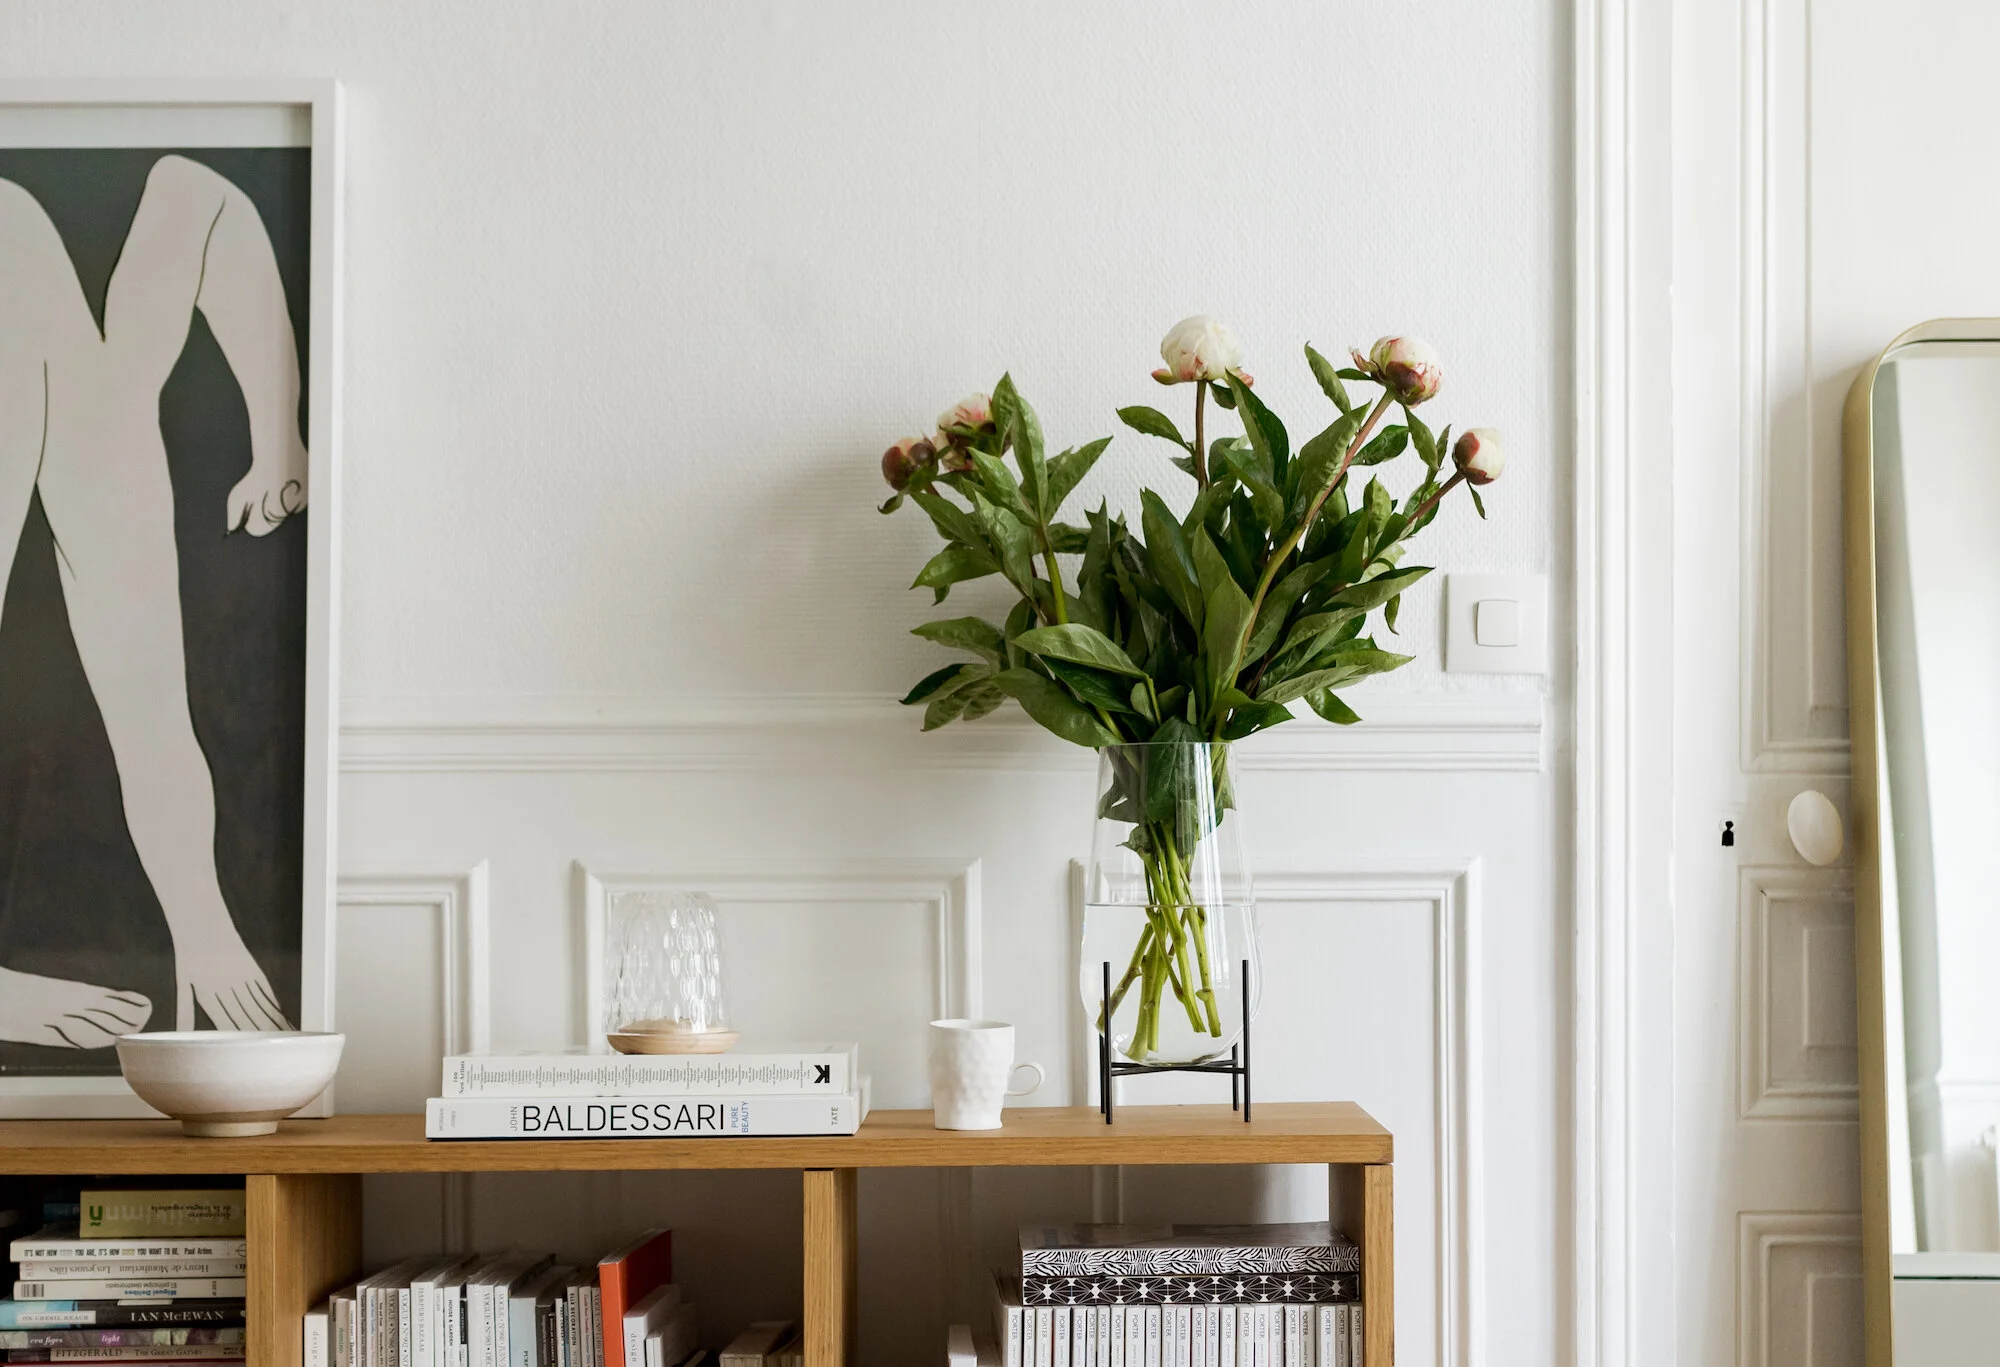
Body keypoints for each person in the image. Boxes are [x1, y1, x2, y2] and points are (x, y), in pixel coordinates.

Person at [0, 154, 305, 1046]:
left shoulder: (104, 384)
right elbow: (206, 205)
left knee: (140, 658)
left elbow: (204, 203)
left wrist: (278, 439)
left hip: (68, 341)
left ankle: (204, 923)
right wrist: (279, 441)